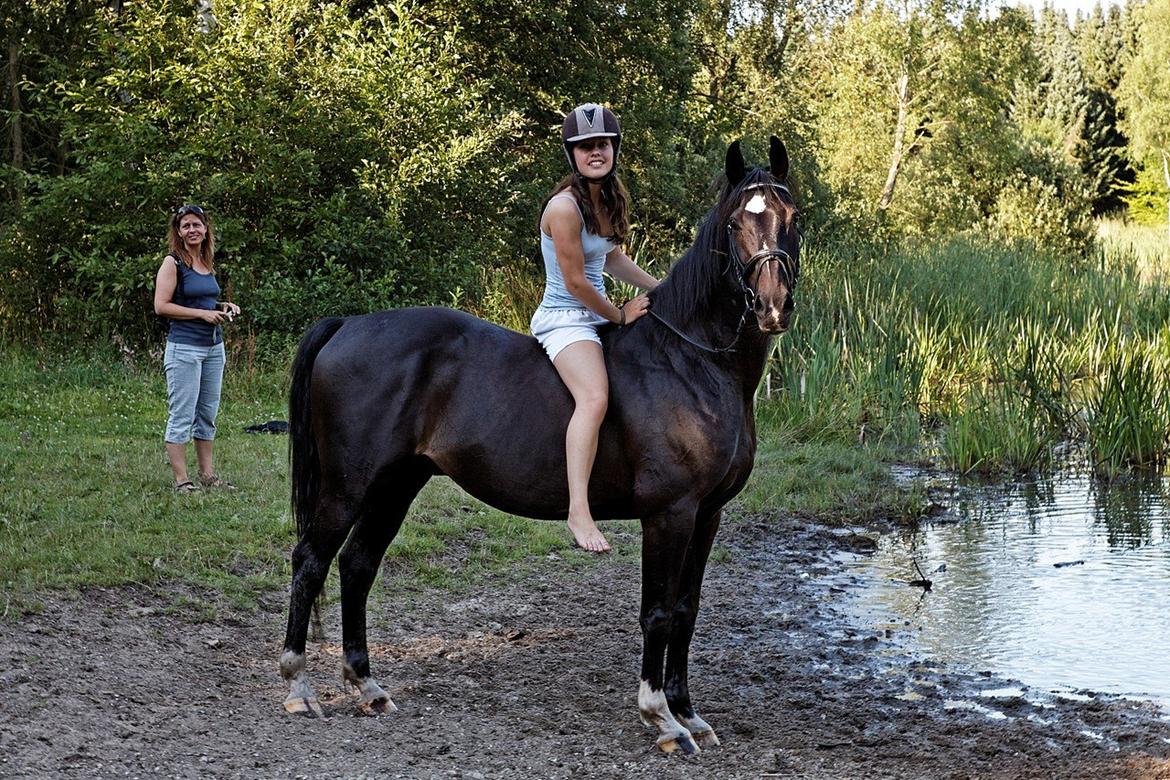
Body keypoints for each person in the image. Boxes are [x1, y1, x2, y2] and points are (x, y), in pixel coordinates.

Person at [530, 103, 659, 553]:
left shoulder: (606, 198)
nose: (595, 153)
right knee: (595, 396)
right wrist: (620, 316)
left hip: (595, 311)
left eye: (602, 144)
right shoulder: (564, 208)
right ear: (573, 155)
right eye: (586, 147)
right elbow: (576, 282)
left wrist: (663, 289)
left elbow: (612, 259)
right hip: (567, 319)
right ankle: (578, 511)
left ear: (613, 148)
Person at [153, 204, 241, 492]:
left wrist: (221, 307)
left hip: (213, 348)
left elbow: (200, 301)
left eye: (197, 225)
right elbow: (161, 306)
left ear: (206, 229)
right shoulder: (172, 262)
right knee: (182, 414)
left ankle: (207, 474)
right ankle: (182, 480)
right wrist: (203, 315)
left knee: (207, 414)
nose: (192, 230)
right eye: (186, 226)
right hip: (185, 349)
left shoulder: (205, 261)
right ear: (178, 232)